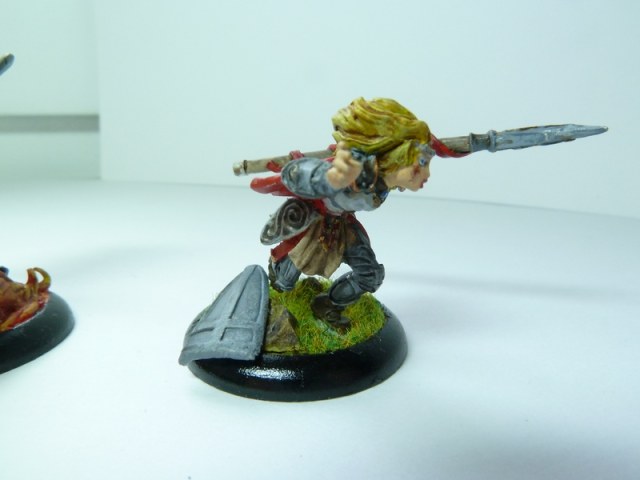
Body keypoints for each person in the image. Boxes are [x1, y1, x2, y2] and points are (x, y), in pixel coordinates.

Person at [255, 97, 439, 330]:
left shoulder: (384, 175)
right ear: (397, 158)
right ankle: (277, 267)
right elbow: (302, 174)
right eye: (421, 162)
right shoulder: (352, 172)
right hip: (316, 225)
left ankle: (327, 305)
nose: (426, 173)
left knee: (370, 275)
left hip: (343, 226)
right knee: (284, 282)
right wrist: (332, 176)